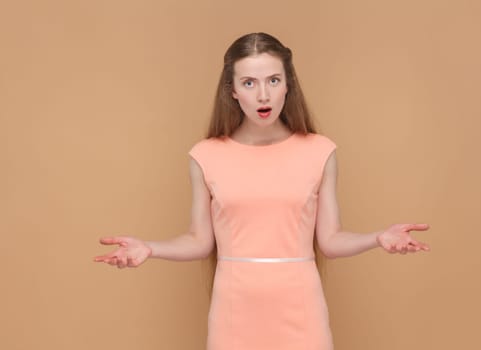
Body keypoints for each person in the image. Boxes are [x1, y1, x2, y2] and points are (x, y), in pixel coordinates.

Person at [94, 32, 430, 350]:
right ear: (233, 91)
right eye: (249, 83)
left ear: (288, 86)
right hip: (234, 312)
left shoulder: (319, 151)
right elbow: (199, 241)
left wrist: (378, 238)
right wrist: (149, 249)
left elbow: (330, 240)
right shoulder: (206, 155)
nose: (264, 95)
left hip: (301, 311)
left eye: (273, 80)